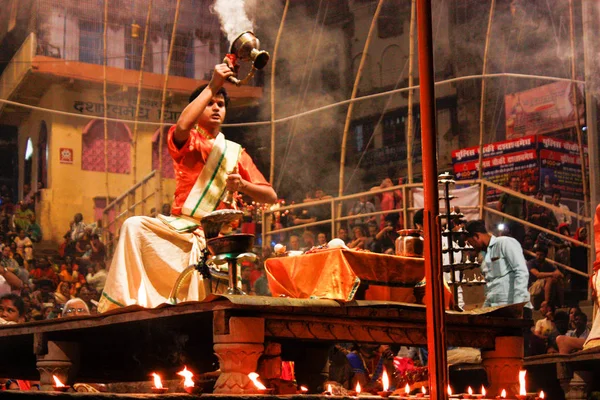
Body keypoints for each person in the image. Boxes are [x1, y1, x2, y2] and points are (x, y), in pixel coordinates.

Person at [99, 63, 276, 312]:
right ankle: (129, 305)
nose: (216, 108)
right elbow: (183, 126)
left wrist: (243, 184)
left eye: (221, 104)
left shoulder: (236, 152)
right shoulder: (189, 139)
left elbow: (270, 196)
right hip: (180, 228)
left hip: (216, 238)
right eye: (209, 103)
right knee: (132, 226)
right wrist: (214, 84)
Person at [464, 220, 531, 311]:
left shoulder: (504, 243)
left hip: (515, 306)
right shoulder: (485, 258)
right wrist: (483, 310)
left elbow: (521, 271)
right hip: (498, 308)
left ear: (476, 236)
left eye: (470, 243)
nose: (471, 247)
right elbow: (491, 289)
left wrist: (518, 305)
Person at [497, 175, 526, 243]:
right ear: (510, 183)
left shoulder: (522, 194)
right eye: (514, 182)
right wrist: (504, 216)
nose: (516, 183)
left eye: (518, 182)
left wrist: (525, 219)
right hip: (508, 221)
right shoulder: (507, 194)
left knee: (519, 241)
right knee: (506, 241)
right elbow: (499, 206)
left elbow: (525, 207)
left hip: (519, 221)